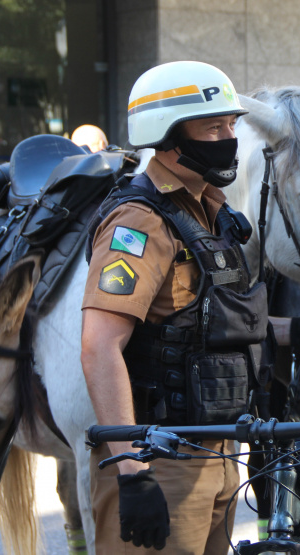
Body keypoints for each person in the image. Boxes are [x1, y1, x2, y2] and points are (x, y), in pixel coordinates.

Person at [81, 61, 259, 553]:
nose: (229, 137)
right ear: (167, 136)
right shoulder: (139, 221)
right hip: (160, 460)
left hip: (218, 453)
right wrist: (131, 473)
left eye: (231, 125)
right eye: (213, 126)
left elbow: (208, 324)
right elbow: (99, 347)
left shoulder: (209, 210)